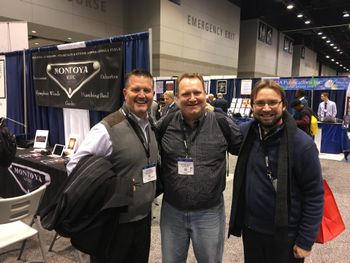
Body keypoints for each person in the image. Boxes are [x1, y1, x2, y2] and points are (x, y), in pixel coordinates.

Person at [66, 69, 158, 263]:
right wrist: (112, 188)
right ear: (125, 93)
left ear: (153, 94)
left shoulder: (149, 125)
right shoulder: (106, 128)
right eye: (136, 89)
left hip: (143, 221)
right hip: (113, 226)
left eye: (147, 90)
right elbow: (75, 167)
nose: (142, 95)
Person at [228, 80, 324, 263]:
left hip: (286, 235)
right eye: (260, 103)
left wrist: (305, 240)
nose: (266, 108)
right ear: (252, 105)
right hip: (252, 231)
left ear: (283, 105)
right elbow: (223, 135)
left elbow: (314, 195)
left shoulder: (302, 145)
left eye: (272, 103)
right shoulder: (248, 133)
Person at [158, 73, 242, 263]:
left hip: (209, 212)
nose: (192, 98)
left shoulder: (222, 123)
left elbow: (247, 149)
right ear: (178, 97)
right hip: (172, 211)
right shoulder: (164, 124)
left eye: (197, 92)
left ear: (206, 94)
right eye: (186, 94)